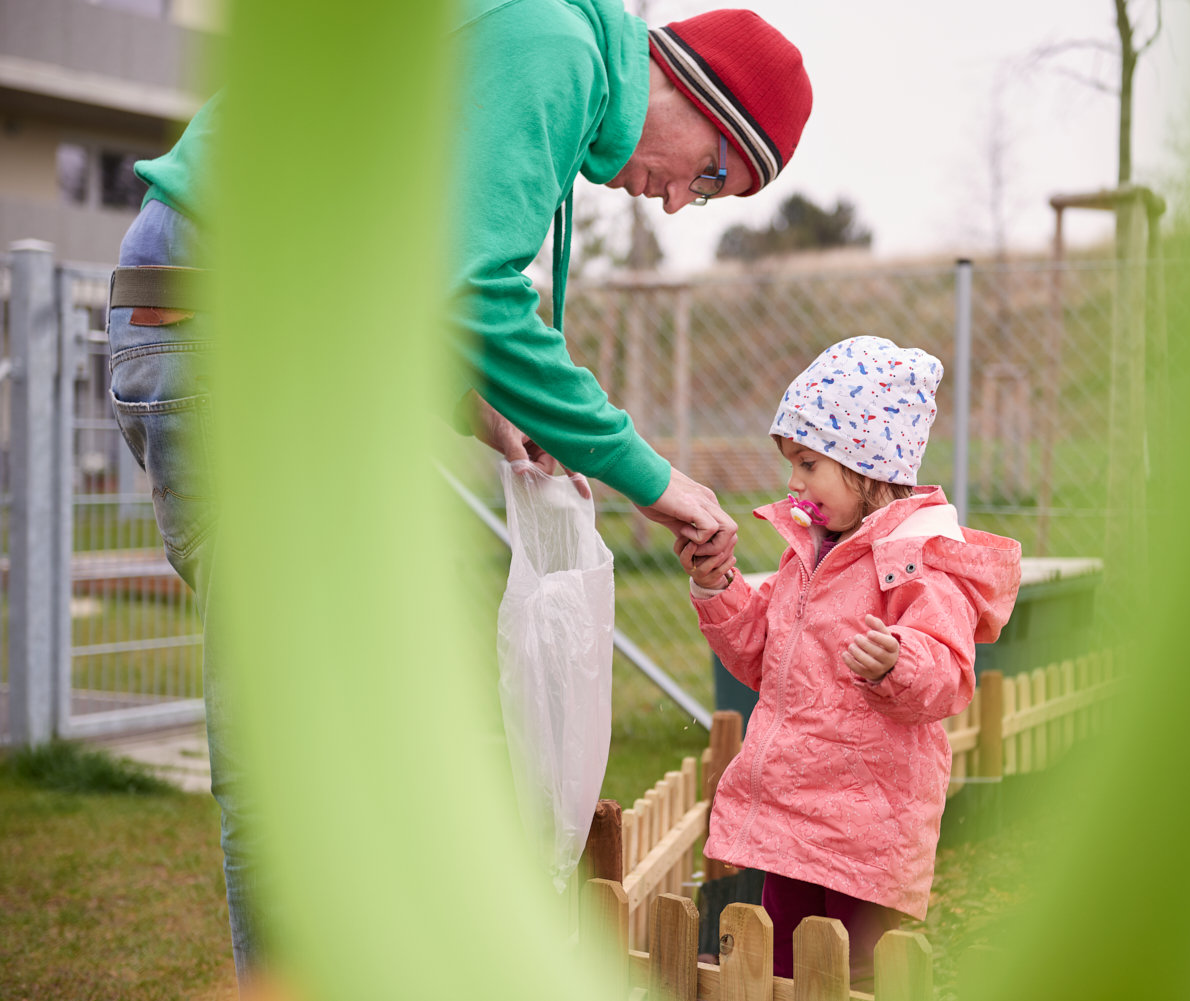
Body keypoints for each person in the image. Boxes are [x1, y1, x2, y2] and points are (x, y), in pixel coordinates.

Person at [104, 0, 812, 986]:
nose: (680, 202)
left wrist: (472, 402)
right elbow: (474, 288)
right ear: (695, 92)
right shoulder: (557, 47)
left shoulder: (544, 51)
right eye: (708, 173)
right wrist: (650, 476)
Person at [675, 336, 1022, 986]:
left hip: (868, 821)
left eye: (808, 463)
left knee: (853, 970)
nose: (793, 483)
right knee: (779, 960)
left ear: (867, 464)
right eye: (792, 464)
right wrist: (718, 585)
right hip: (795, 808)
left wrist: (899, 661)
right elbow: (759, 649)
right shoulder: (810, 553)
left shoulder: (918, 556)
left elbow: (948, 671)